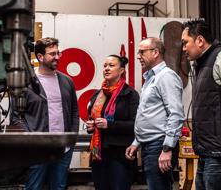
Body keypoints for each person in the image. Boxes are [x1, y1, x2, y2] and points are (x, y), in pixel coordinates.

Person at [181, 19, 221, 190]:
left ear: (200, 41)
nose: (183, 48)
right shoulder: (201, 64)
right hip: (206, 153)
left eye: (185, 42)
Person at [11, 37, 79, 190]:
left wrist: (72, 137)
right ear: (40, 57)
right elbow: (16, 116)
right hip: (37, 150)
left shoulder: (67, 81)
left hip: (63, 149)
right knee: (34, 187)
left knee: (59, 187)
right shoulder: (26, 82)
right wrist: (31, 139)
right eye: (52, 54)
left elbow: (74, 110)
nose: (57, 57)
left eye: (58, 53)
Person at [125, 37, 184, 190]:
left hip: (159, 146)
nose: (138, 56)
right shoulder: (152, 78)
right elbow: (150, 114)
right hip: (149, 146)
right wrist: (136, 142)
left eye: (142, 52)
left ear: (155, 52)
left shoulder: (166, 77)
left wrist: (167, 149)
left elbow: (176, 115)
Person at [85, 55, 139, 190]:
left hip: (120, 155)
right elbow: (91, 119)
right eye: (105, 66)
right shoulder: (98, 95)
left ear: (121, 70)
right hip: (99, 154)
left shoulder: (130, 94)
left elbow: (135, 125)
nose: (107, 69)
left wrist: (109, 125)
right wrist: (91, 126)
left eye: (111, 65)